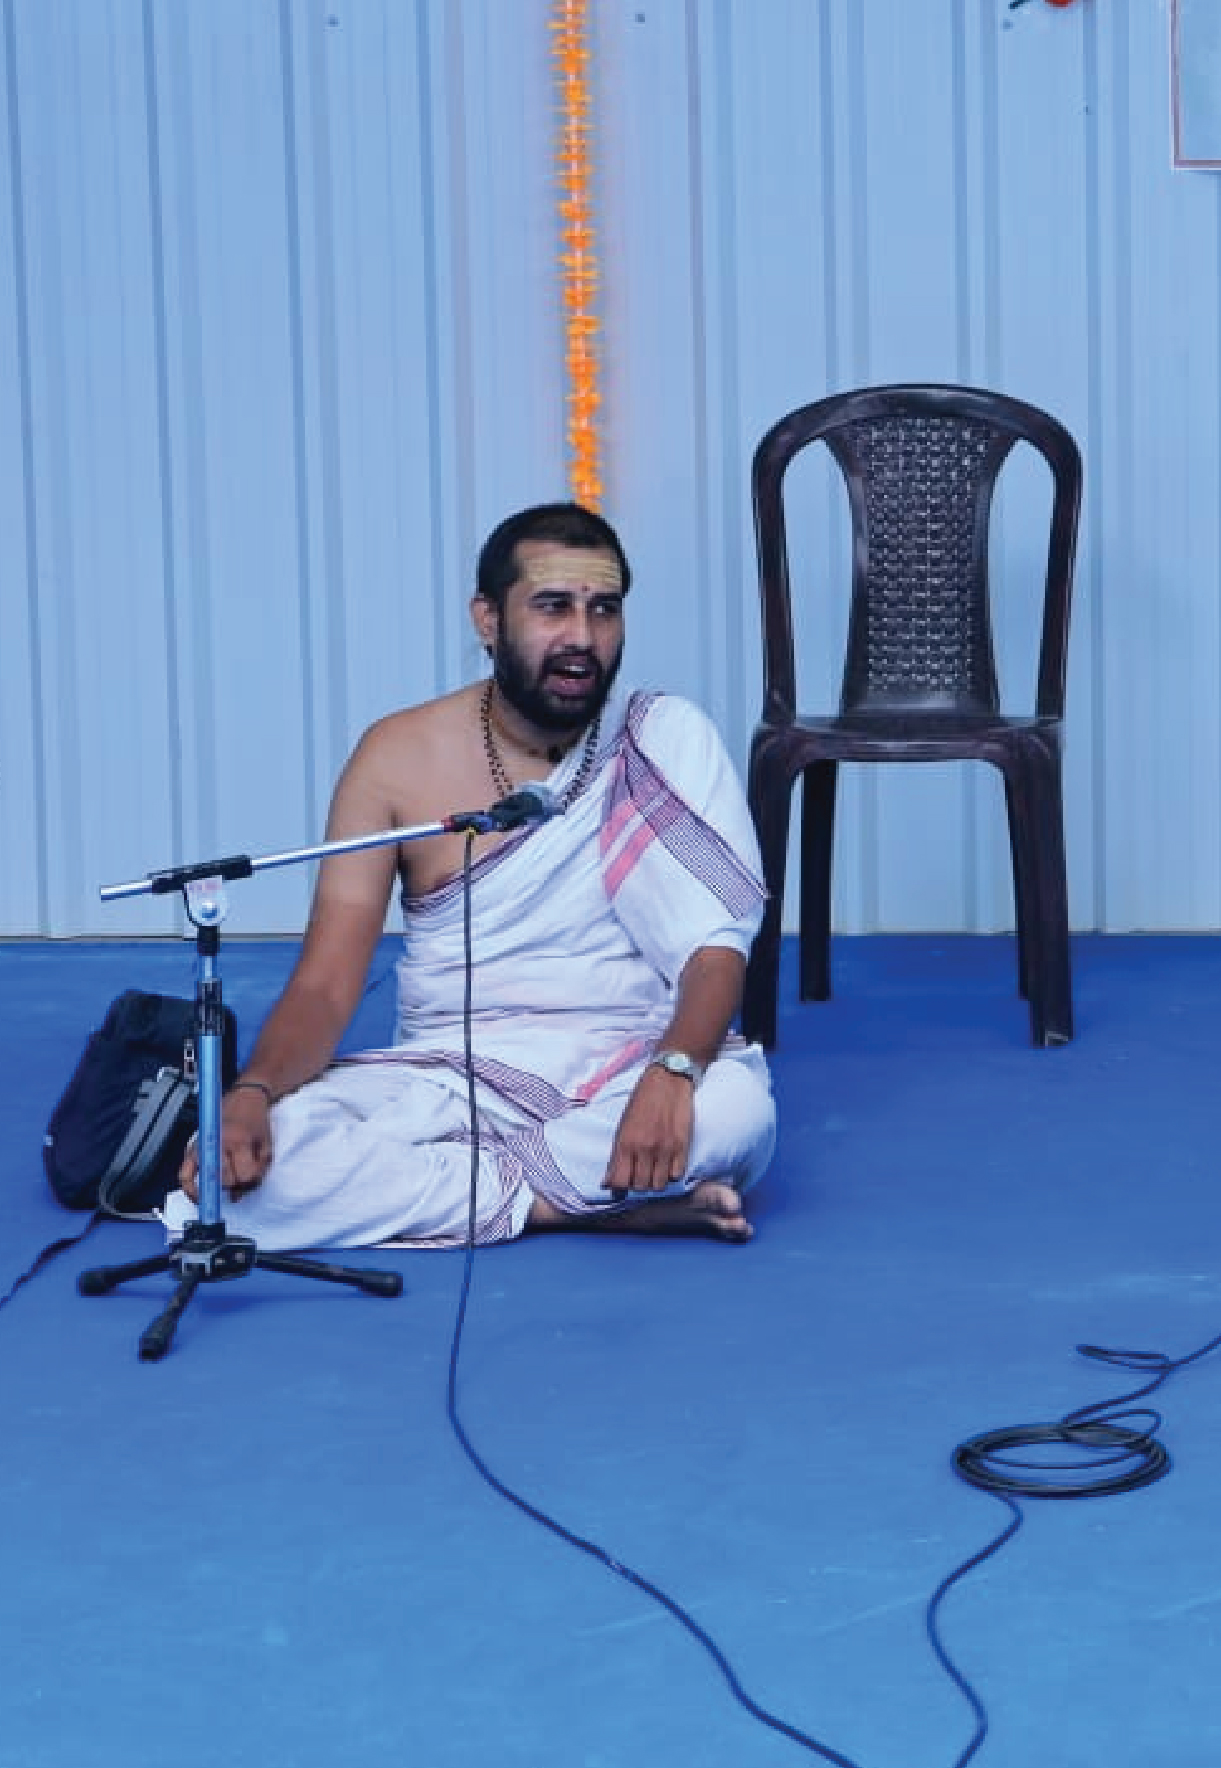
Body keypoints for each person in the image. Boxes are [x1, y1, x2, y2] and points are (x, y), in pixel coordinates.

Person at [175, 503, 777, 1248]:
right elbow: (326, 985)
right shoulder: (395, 757)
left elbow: (716, 950)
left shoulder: (665, 736)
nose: (583, 637)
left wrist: (675, 1071)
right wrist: (252, 1093)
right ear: (487, 619)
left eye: (604, 609)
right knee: (244, 1173)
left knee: (735, 1113)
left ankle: (472, 1190)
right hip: (449, 1077)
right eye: (553, 607)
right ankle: (588, 1203)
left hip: (626, 1060)